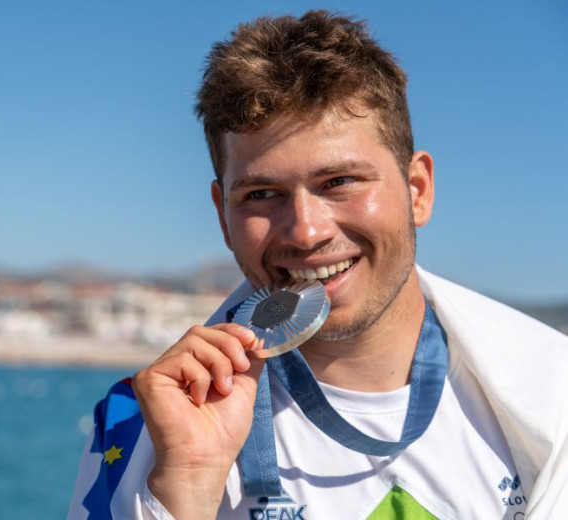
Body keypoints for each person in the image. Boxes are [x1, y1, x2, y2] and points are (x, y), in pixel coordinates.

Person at [68, 10, 568, 519]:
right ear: (223, 215)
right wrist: (186, 486)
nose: (306, 230)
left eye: (339, 182)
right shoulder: (143, 424)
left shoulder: (554, 390)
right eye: (262, 194)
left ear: (417, 190)